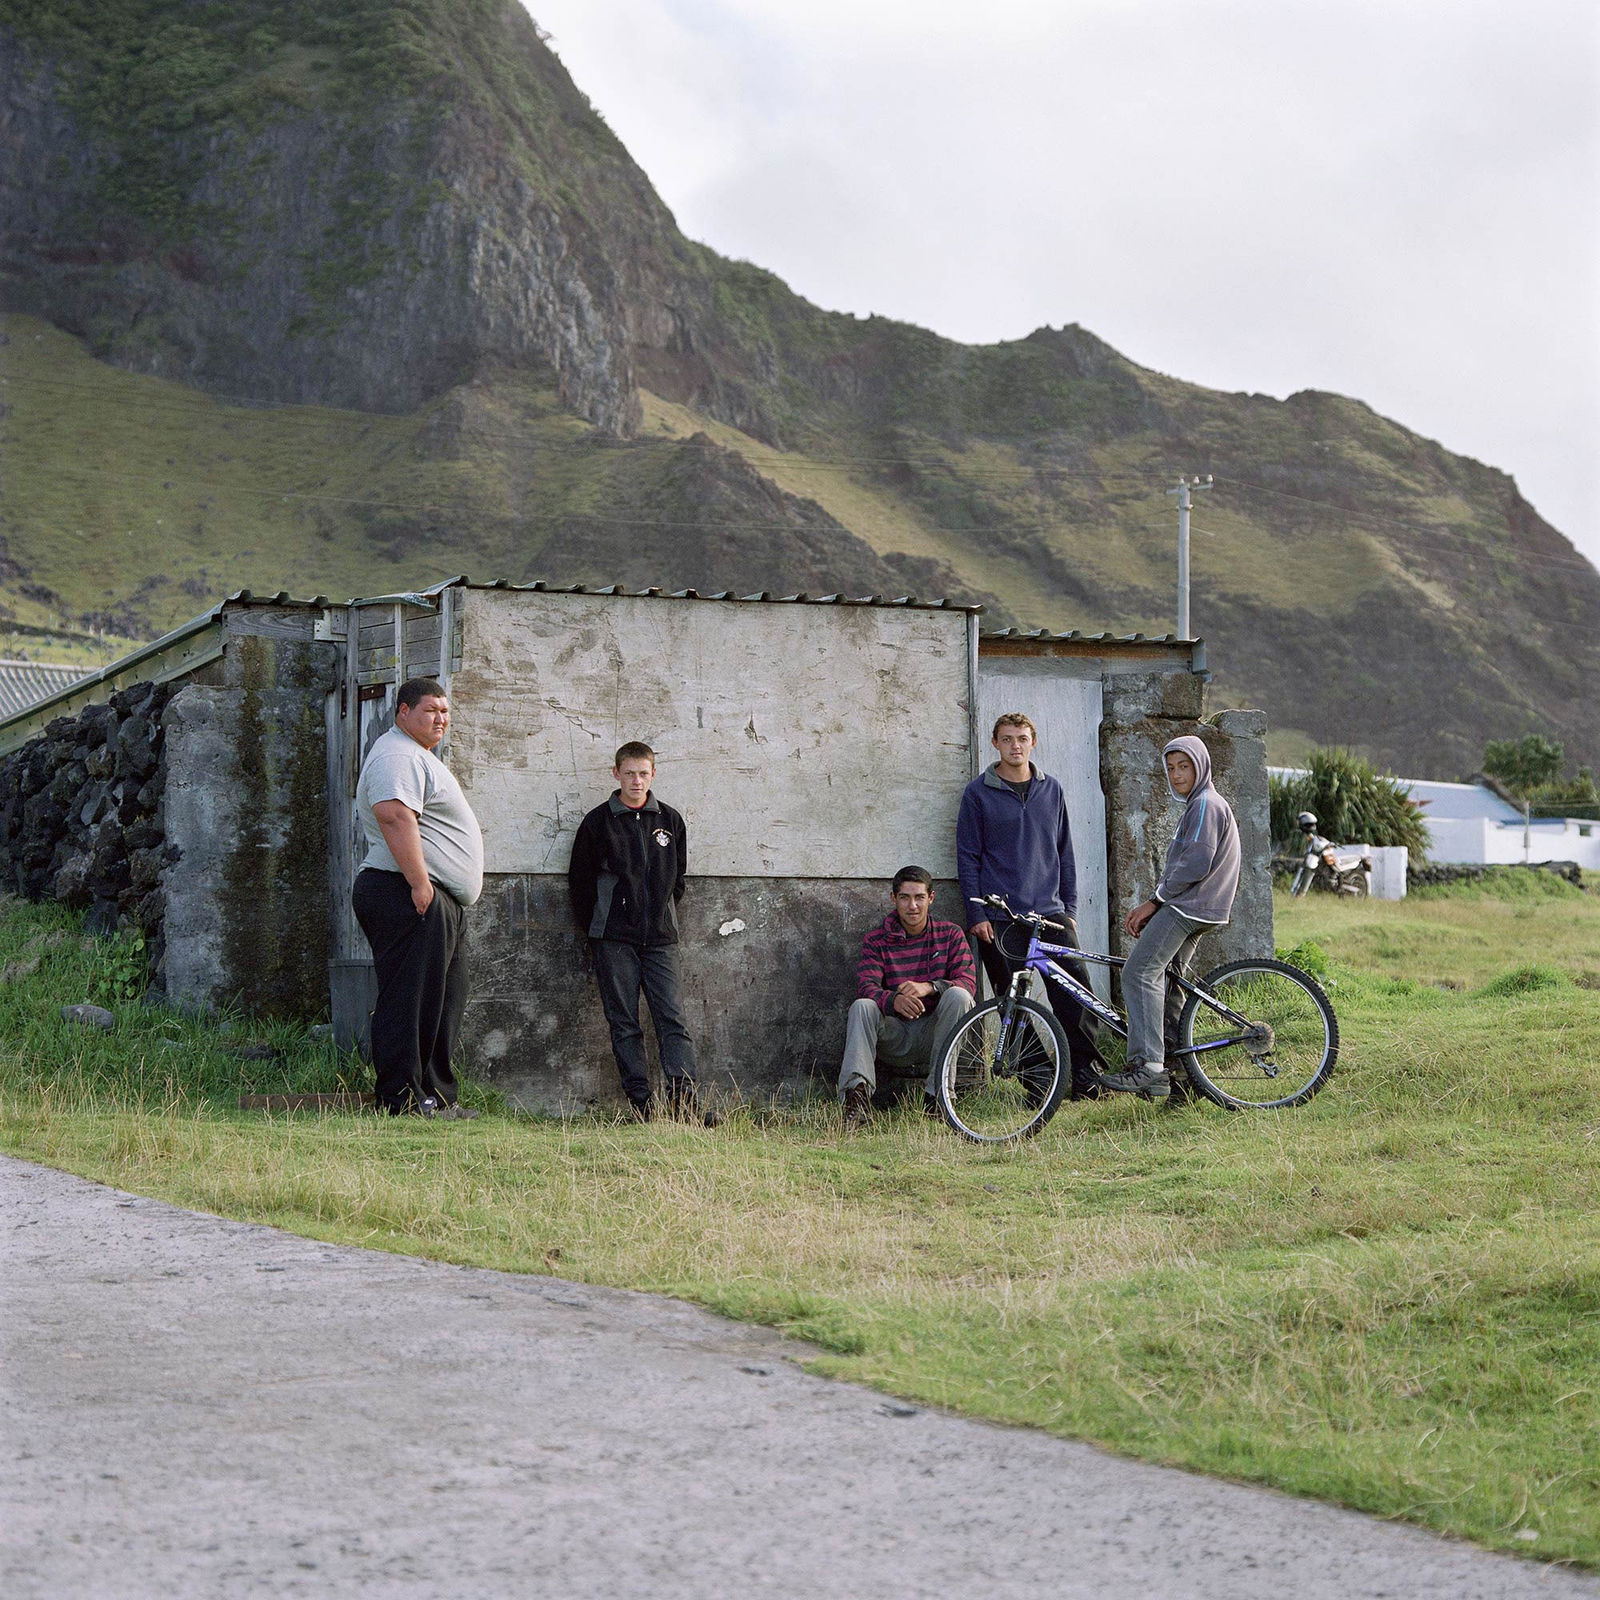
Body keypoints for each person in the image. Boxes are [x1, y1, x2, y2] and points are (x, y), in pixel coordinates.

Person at [352, 677, 484, 1119]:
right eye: (431, 710)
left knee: (443, 998)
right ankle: (401, 1099)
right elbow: (392, 814)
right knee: (409, 999)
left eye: (445, 712)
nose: (440, 719)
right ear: (403, 712)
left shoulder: (417, 756)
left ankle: (437, 1097)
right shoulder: (396, 754)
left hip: (431, 897)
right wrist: (419, 882)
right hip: (405, 891)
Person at [956, 712, 1103, 1098]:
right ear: (996, 744)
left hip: (1051, 915)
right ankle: (1039, 1083)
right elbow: (968, 857)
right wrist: (976, 914)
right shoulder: (977, 794)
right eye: (1007, 739)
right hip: (1000, 917)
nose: (1015, 746)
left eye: (1022, 738)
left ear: (1033, 742)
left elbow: (1065, 853)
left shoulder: (1051, 790)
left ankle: (1085, 1076)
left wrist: (1069, 910)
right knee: (1011, 1002)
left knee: (1074, 994)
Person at [1099, 735, 1241, 1101]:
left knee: (1138, 972)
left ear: (1201, 766)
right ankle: (1180, 1078)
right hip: (1200, 907)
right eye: (1171, 767)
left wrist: (1154, 901)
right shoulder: (1199, 804)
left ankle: (1147, 1066)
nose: (1177, 775)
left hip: (1189, 906)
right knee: (1169, 987)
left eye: (1185, 766)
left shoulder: (1206, 804)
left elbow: (1195, 863)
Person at [568, 741, 702, 1121]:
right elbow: (579, 883)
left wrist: (659, 913)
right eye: (629, 773)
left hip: (660, 940)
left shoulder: (671, 821)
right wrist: (601, 927)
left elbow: (679, 878)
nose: (636, 781)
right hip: (614, 941)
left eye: (643, 773)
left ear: (653, 775)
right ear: (616, 774)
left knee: (672, 1018)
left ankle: (685, 1103)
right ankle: (641, 1104)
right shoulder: (597, 822)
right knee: (624, 1021)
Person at [840, 866, 976, 1130]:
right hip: (895, 1036)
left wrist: (930, 987)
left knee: (959, 996)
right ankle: (856, 1101)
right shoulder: (877, 940)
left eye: (919, 897)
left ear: (931, 898)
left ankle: (939, 1099)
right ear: (893, 899)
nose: (912, 906)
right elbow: (866, 987)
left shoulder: (951, 934)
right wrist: (893, 1001)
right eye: (904, 897)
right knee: (862, 1007)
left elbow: (968, 983)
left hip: (938, 1036)